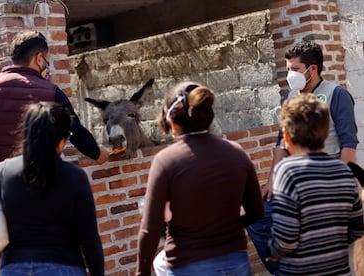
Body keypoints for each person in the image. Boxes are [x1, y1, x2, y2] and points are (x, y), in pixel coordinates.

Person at [0, 102, 104, 276]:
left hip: (13, 268)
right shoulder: (76, 178)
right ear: (61, 141)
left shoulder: (3, 172)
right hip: (65, 267)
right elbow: (90, 241)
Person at [247, 40, 359, 274]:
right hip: (295, 178)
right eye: (288, 69)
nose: (290, 74)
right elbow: (281, 142)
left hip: (328, 175)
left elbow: (348, 143)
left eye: (295, 69)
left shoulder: (336, 94)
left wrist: (337, 182)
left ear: (312, 70)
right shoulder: (291, 98)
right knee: (257, 216)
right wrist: (271, 182)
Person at [136, 81, 264, 276]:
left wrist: (142, 272)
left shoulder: (166, 161)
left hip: (187, 264)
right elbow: (256, 211)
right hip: (235, 261)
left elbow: (150, 228)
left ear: (172, 121)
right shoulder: (237, 153)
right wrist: (223, 226)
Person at [0, 30, 108, 189]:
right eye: (46, 60)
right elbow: (77, 133)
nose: (46, 65)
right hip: (40, 187)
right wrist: (99, 154)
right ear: (39, 58)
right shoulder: (52, 92)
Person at [267, 93, 364, 275]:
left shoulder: (287, 171)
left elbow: (286, 238)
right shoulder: (344, 171)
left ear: (286, 137)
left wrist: (273, 250)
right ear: (326, 134)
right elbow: (358, 227)